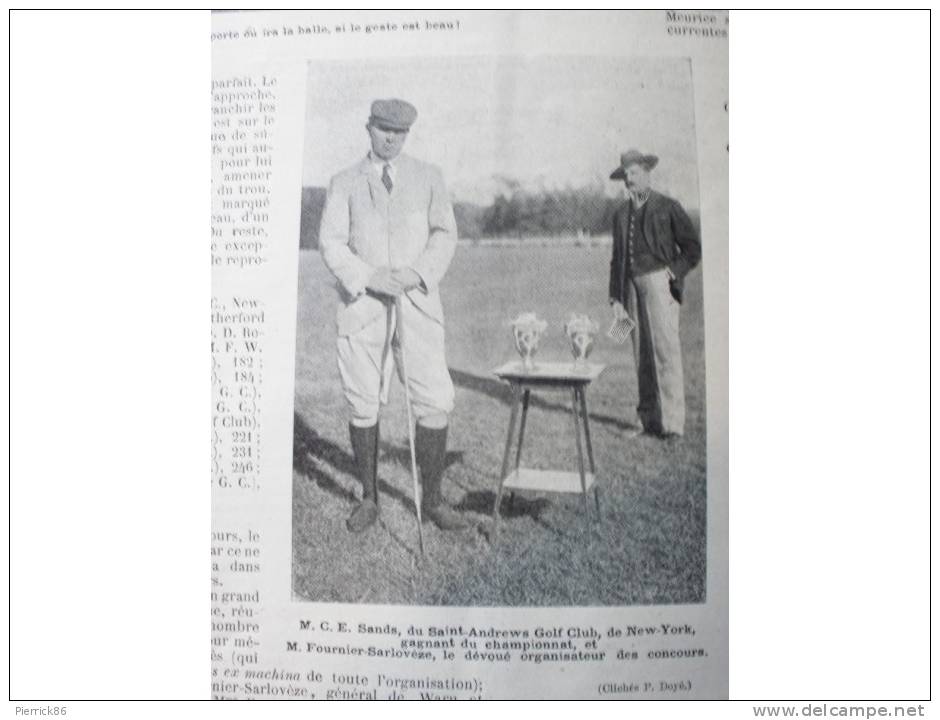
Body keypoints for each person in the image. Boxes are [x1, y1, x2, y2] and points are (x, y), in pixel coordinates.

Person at [318, 98, 468, 532]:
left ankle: (435, 501)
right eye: (384, 129)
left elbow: (445, 234)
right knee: (363, 400)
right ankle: (369, 498)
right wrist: (367, 277)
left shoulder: (429, 177)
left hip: (417, 304)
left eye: (399, 132)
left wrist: (416, 273)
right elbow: (331, 242)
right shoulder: (343, 181)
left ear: (408, 134)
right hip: (363, 306)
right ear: (369, 128)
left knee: (434, 400)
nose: (391, 138)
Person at [608, 149, 701, 439]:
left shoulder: (668, 206)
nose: (629, 179)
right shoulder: (620, 214)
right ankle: (646, 419)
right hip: (630, 288)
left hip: (661, 286)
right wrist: (616, 299)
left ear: (647, 173)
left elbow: (692, 249)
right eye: (626, 174)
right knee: (641, 355)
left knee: (666, 353)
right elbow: (616, 260)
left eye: (634, 173)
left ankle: (673, 425)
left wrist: (672, 273)